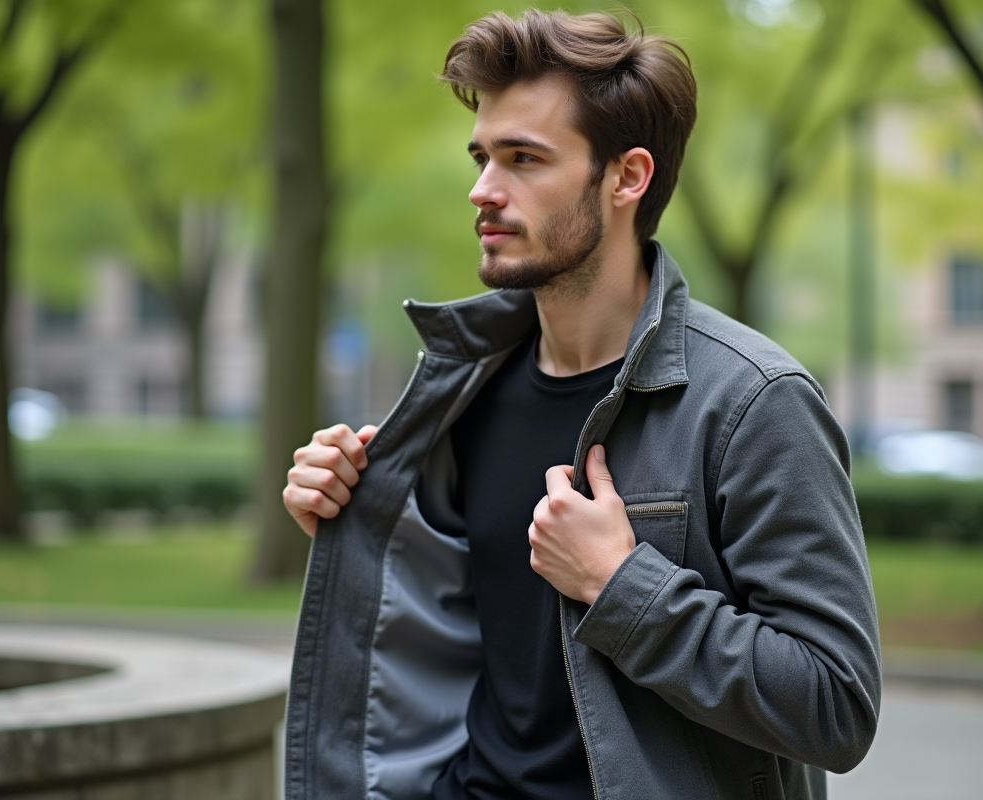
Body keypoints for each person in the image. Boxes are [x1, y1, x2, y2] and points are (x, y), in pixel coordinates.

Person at [281, 9, 881, 800]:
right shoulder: (462, 386)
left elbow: (836, 706)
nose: (482, 190)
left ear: (627, 177)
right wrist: (352, 518)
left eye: (523, 159)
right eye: (482, 157)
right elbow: (445, 641)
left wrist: (621, 583)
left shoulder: (753, 402)